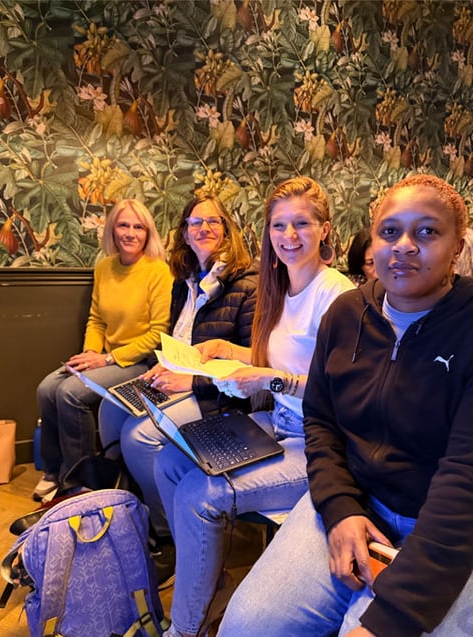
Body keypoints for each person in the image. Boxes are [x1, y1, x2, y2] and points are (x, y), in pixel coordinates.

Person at [219, 174, 473, 637]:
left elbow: (465, 478)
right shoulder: (347, 313)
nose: (405, 246)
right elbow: (321, 420)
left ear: (457, 245)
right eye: (390, 231)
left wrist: (390, 619)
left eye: (428, 232)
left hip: (445, 526)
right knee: (246, 625)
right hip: (355, 498)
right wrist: (340, 508)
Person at [154, 177, 354, 637]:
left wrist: (268, 378)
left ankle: (184, 629)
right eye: (279, 225)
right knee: (168, 460)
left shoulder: (335, 294)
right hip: (278, 421)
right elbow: (275, 358)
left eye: (301, 224)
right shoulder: (280, 287)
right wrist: (227, 349)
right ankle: (206, 583)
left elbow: (340, 391)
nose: (288, 236)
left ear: (324, 229)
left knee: (199, 494)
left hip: (319, 442)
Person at [97, 195, 258, 553]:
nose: (204, 229)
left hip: (219, 394)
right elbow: (177, 340)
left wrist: (192, 380)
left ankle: (169, 532)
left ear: (227, 229)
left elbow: (254, 361)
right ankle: (130, 505)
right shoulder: (183, 280)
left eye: (213, 221)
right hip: (178, 377)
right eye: (195, 223)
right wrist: (163, 364)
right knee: (109, 409)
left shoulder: (247, 283)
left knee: (139, 436)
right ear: (184, 233)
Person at [34, 198, 173, 500]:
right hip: (105, 358)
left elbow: (158, 334)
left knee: (70, 393)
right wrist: (89, 357)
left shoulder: (158, 271)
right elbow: (96, 319)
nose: (131, 233)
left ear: (148, 233)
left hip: (139, 361)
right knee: (46, 389)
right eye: (124, 225)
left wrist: (107, 358)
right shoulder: (104, 267)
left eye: (139, 227)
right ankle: (53, 471)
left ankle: (79, 481)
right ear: (112, 229)